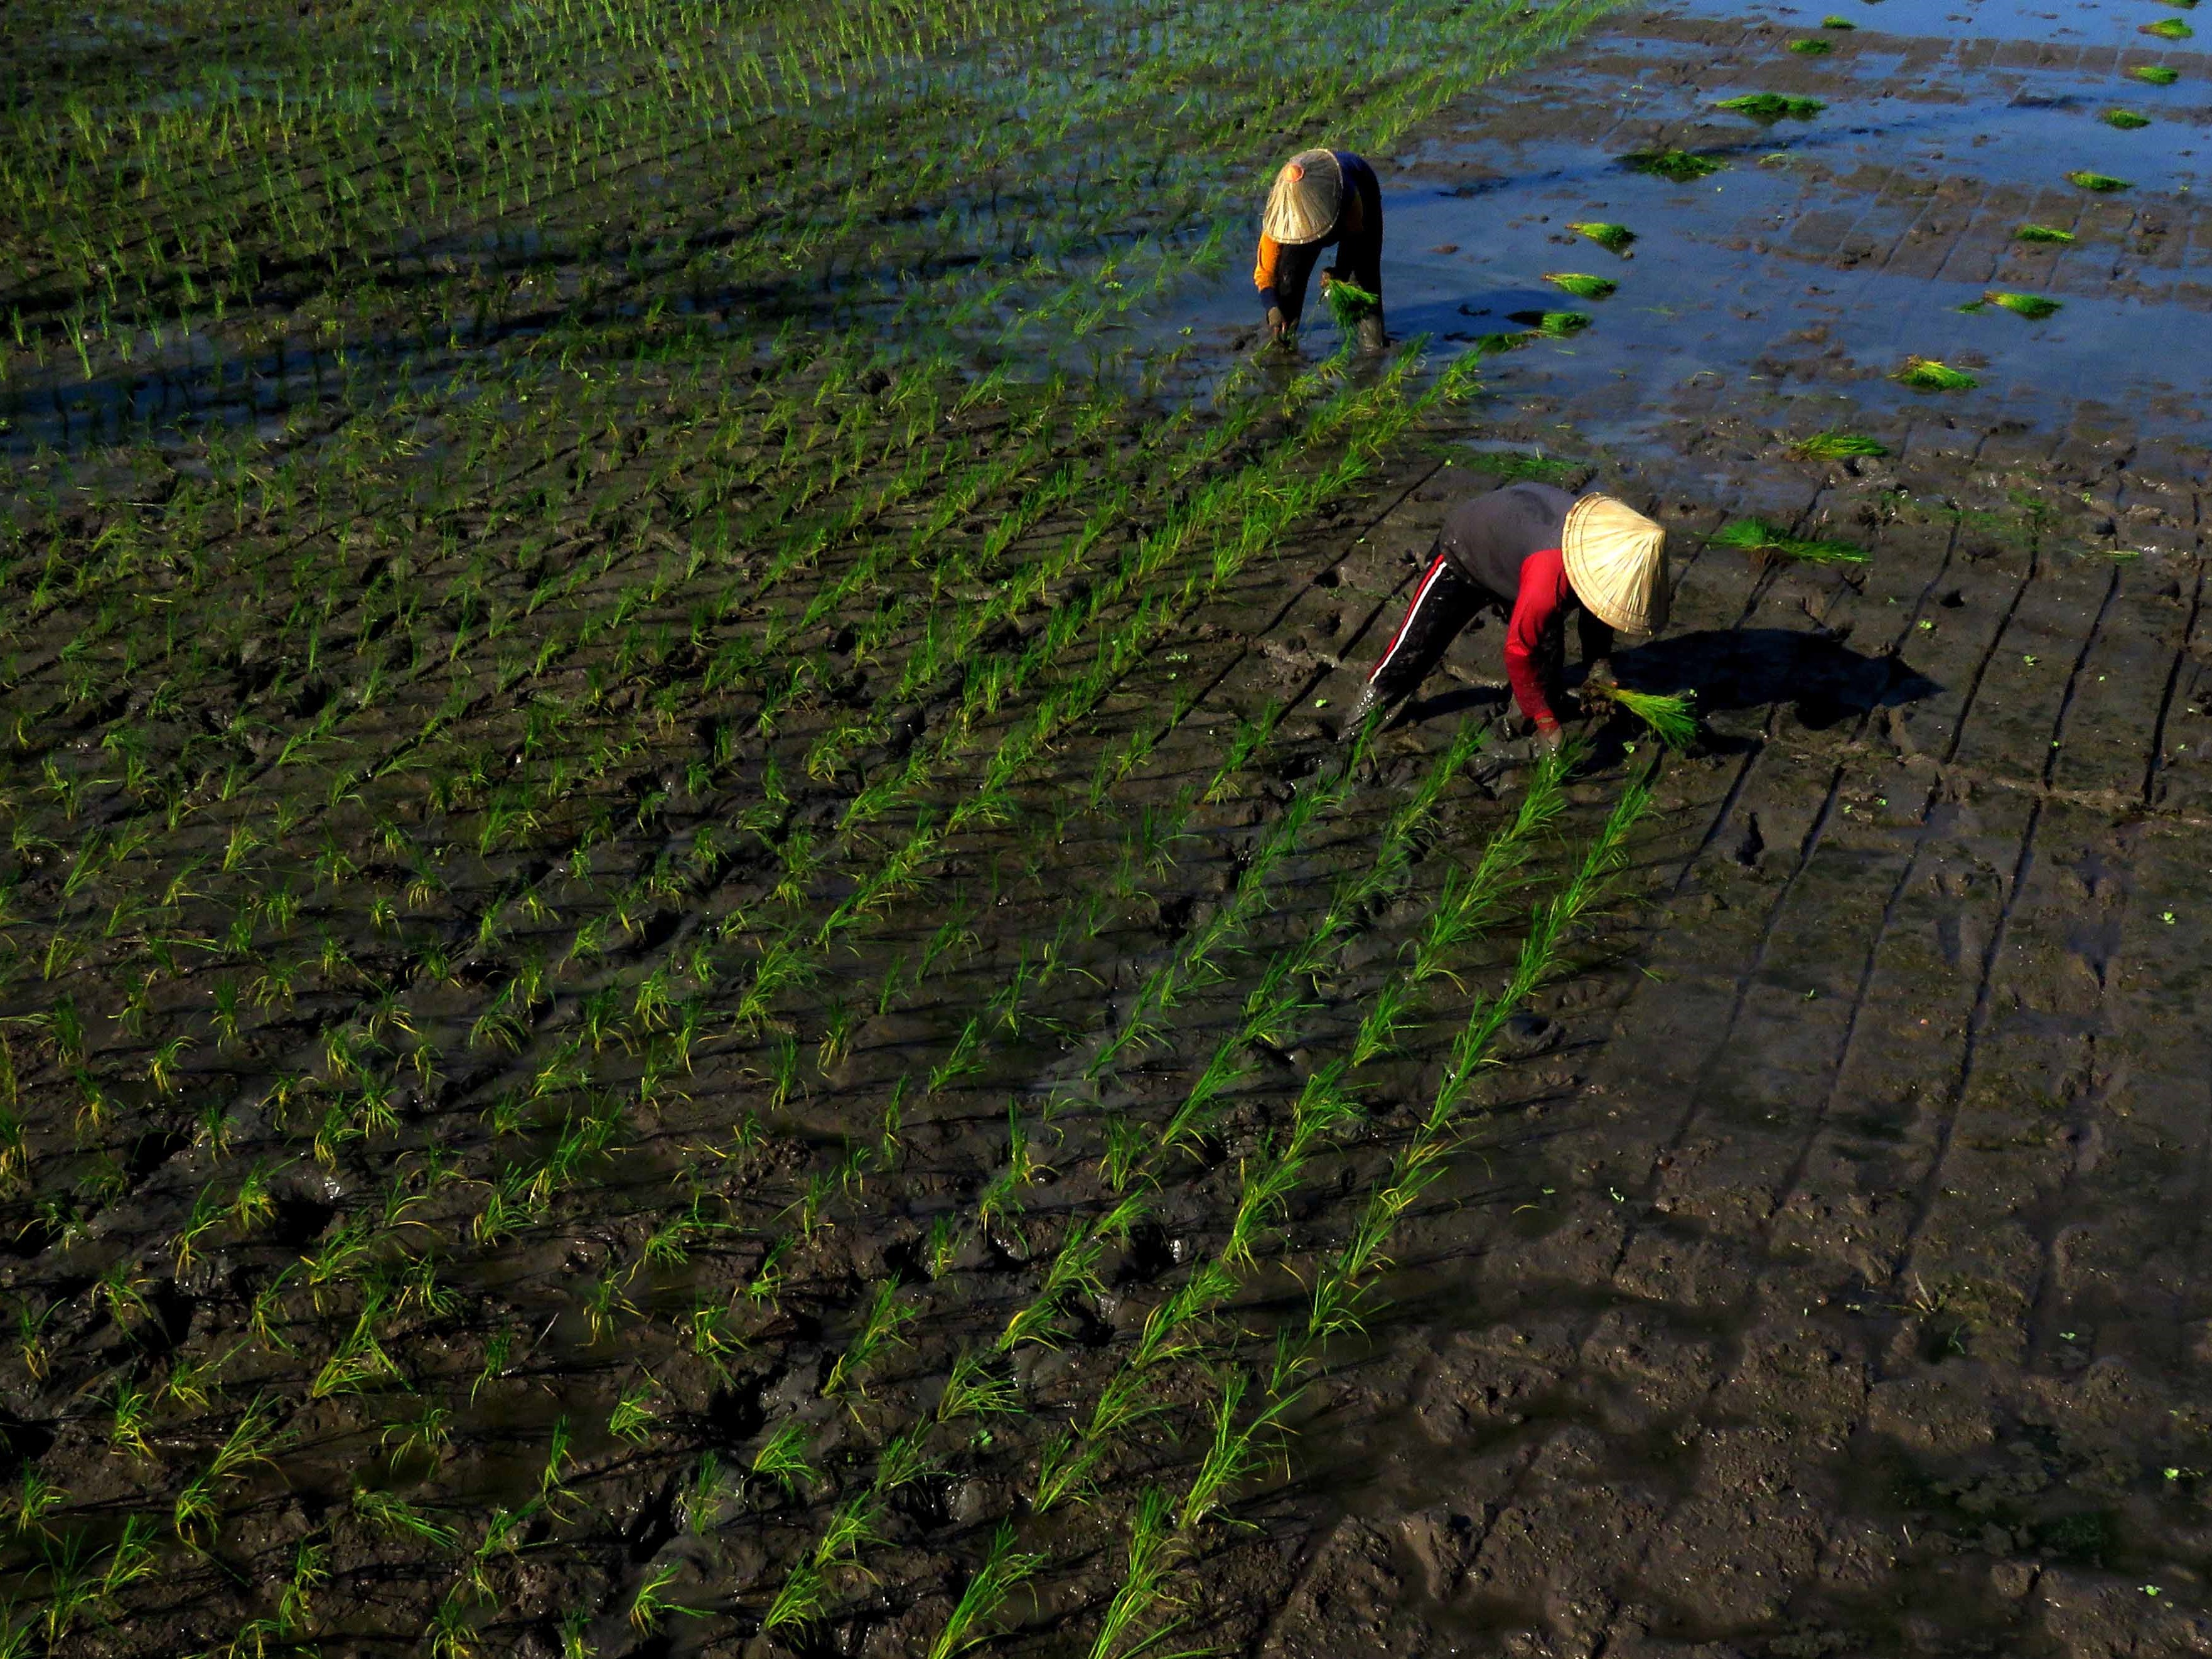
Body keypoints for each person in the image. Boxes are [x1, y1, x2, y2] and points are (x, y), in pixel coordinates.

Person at [1341, 483, 1669, 755]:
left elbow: (1597, 614)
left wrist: (1599, 668)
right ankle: (1353, 732)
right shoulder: (1550, 578)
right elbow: (1516, 650)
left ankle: (1520, 730)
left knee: (1545, 664)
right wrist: (1546, 721)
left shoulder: (1603, 557)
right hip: (1468, 553)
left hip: (1521, 556)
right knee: (1413, 652)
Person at [1255, 148, 1385, 352]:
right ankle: (1283, 340)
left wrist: (1340, 272)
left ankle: (1372, 346)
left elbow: (1356, 238)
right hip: (1316, 208)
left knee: (1362, 280)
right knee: (1287, 280)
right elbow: (1265, 274)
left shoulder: (1350, 195)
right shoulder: (1278, 222)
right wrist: (1273, 308)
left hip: (1356, 193)